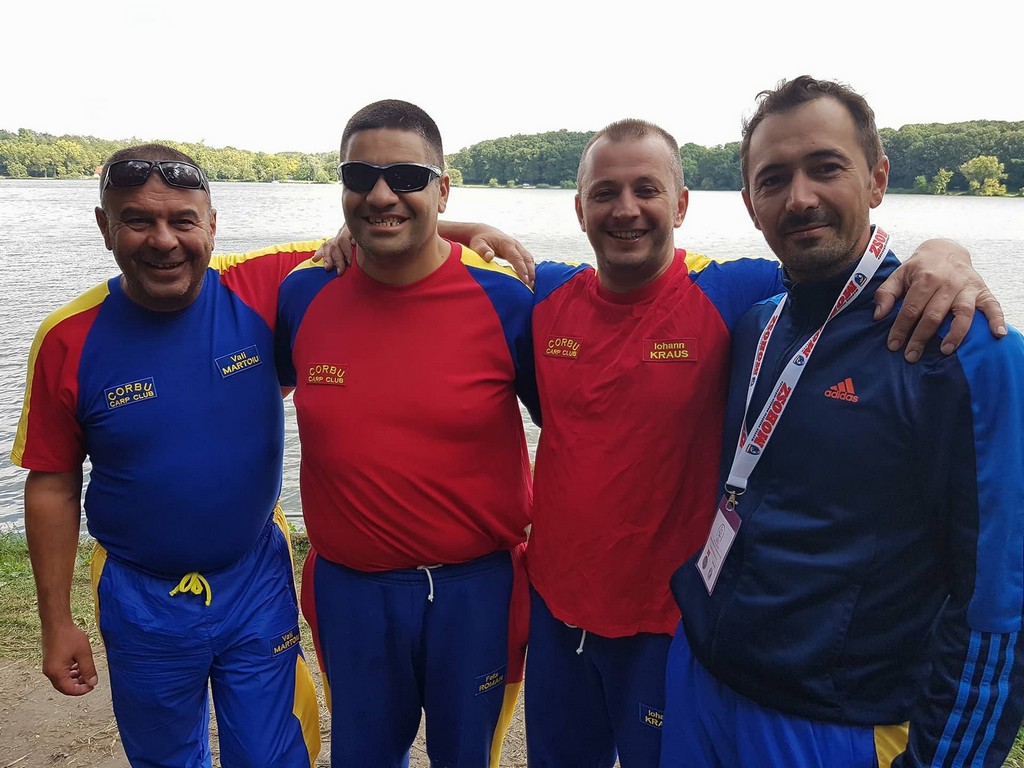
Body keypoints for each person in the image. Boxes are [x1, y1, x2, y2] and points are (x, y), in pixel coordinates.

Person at [319, 119, 1005, 766]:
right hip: (557, 611)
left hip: (669, 622)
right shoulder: (545, 295)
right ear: (579, 210)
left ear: (680, 204)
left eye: (646, 190)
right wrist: (429, 226)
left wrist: (943, 254)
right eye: (604, 193)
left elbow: (841, 264)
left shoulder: (733, 294)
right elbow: (437, 253)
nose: (626, 210)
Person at [663, 75, 1024, 768]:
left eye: (825, 168)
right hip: (703, 677)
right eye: (773, 179)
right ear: (751, 205)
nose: (799, 197)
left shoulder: (961, 348)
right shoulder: (758, 323)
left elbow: (998, 600)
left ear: (877, 179)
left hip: (831, 720)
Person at [10, 145, 321, 768]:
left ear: (212, 225)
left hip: (255, 579)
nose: (163, 241)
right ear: (105, 227)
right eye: (137, 221)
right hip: (140, 594)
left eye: (182, 220)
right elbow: (52, 484)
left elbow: (375, 229)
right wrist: (56, 621)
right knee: (164, 758)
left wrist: (466, 230)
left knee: (273, 756)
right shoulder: (68, 337)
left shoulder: (262, 287)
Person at [275, 99, 538, 767]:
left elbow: (573, 424)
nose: (381, 193)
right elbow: (181, 261)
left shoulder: (506, 299)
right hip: (352, 592)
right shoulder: (303, 292)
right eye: (360, 176)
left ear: (442, 189)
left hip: (477, 592)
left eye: (407, 177)